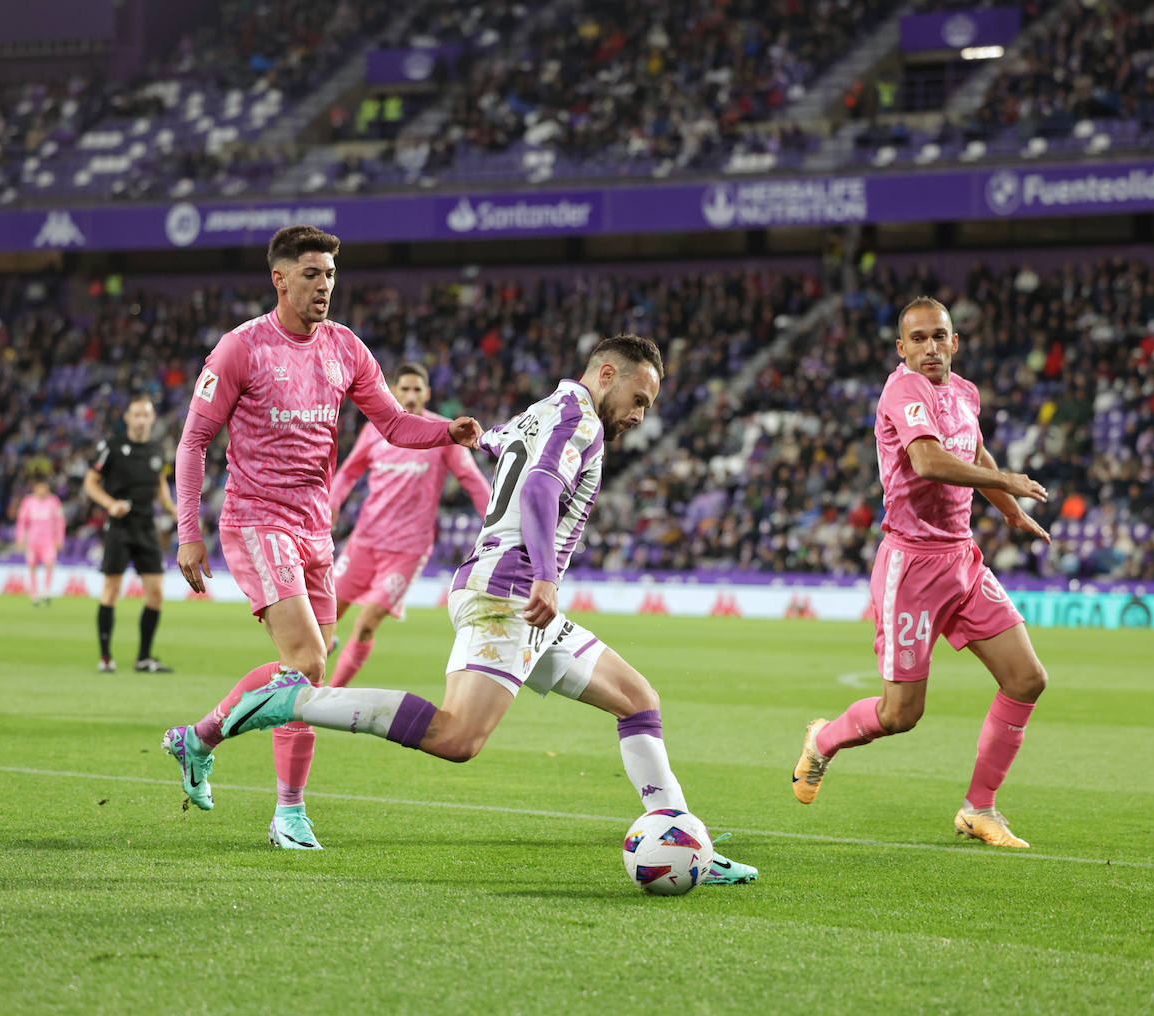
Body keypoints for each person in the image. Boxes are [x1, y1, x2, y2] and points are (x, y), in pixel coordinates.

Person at [162, 334, 757, 884]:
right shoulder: (580, 422)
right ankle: (295, 701)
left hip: (515, 596)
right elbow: (543, 484)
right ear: (607, 373)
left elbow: (508, 447)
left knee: (638, 700)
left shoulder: (543, 409)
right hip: (511, 595)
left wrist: (481, 438)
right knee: (457, 736)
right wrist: (548, 576)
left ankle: (684, 842)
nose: (639, 414)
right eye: (638, 398)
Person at [165, 224, 481, 850]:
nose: (324, 287)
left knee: (303, 682)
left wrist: (448, 431)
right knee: (308, 662)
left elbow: (392, 423)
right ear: (279, 279)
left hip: (316, 532)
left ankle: (215, 751)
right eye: (312, 274)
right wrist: (188, 532)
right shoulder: (239, 349)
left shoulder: (346, 348)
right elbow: (194, 440)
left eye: (330, 275)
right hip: (257, 522)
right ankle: (277, 802)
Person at [792, 296, 1052, 849]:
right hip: (911, 568)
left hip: (962, 558)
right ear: (901, 348)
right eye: (918, 339)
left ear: (954, 342)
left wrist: (1011, 512)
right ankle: (824, 740)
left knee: (1027, 678)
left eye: (939, 336)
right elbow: (929, 462)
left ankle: (980, 809)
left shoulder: (964, 393)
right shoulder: (901, 390)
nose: (929, 348)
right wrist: (1011, 482)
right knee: (901, 713)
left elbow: (974, 453)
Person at [327, 362, 492, 688]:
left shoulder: (443, 433)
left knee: (367, 623)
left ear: (427, 394)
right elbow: (348, 471)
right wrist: (332, 502)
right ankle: (319, 654)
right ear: (393, 391)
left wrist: (497, 521)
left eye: (418, 389)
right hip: (365, 542)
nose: (411, 395)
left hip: (407, 550)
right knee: (326, 616)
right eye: (405, 388)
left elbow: (472, 480)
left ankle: (328, 695)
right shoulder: (375, 429)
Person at [84, 393, 177, 673]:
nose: (140, 420)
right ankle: (105, 657)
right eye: (135, 414)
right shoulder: (112, 446)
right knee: (111, 590)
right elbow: (90, 482)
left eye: (145, 415)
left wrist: (171, 507)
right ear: (127, 418)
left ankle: (144, 657)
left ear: (151, 418)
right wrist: (110, 504)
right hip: (120, 527)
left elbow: (160, 482)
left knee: (156, 593)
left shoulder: (156, 450)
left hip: (146, 526)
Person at [15, 469, 65, 606]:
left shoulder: (54, 501)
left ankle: (46, 592)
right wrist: (20, 539)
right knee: (32, 566)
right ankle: (34, 593)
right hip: (32, 541)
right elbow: (21, 522)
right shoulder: (28, 502)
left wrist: (60, 539)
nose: (43, 490)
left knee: (49, 564)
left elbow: (60, 522)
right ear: (36, 488)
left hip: (48, 541)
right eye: (41, 487)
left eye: (45, 488)